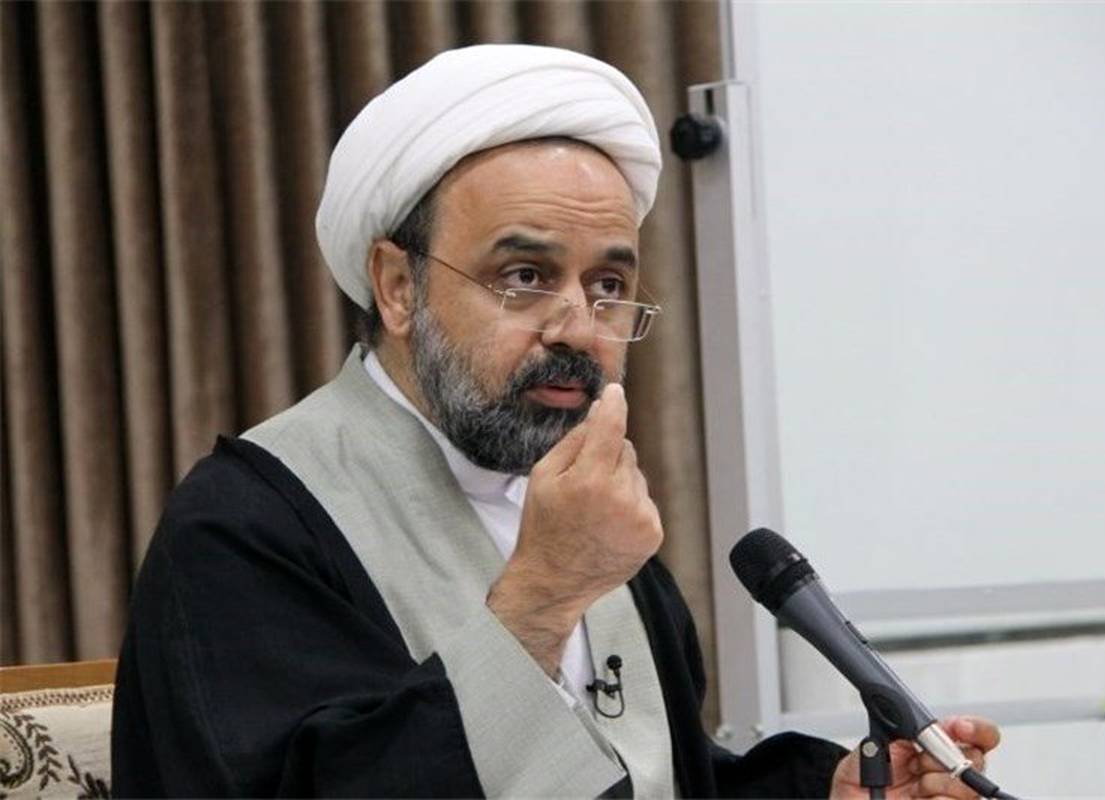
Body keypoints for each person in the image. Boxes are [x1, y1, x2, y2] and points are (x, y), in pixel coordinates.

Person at [112, 44, 999, 797]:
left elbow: (662, 777)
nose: (578, 326)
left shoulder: (580, 508)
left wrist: (826, 791)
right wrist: (540, 599)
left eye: (608, 284)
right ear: (397, 286)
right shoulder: (244, 528)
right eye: (525, 276)